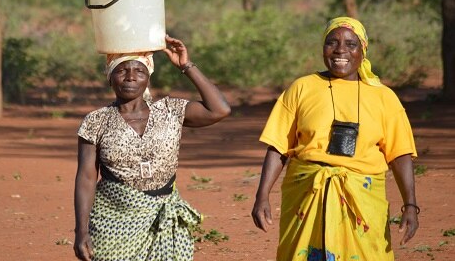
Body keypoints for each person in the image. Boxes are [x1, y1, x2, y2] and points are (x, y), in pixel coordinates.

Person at [251, 16, 419, 260]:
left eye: (351, 44)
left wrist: (411, 206)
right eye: (332, 42)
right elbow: (278, 147)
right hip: (306, 196)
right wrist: (262, 196)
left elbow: (400, 154)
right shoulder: (302, 88)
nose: (341, 50)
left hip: (362, 199)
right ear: (323, 47)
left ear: (363, 50)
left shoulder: (384, 97)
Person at [73, 34, 231, 261]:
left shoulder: (170, 110)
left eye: (139, 71)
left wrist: (186, 66)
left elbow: (220, 110)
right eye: (121, 70)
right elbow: (86, 177)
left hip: (164, 219)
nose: (130, 77)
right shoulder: (96, 121)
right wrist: (81, 231)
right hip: (113, 221)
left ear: (148, 77)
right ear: (110, 78)